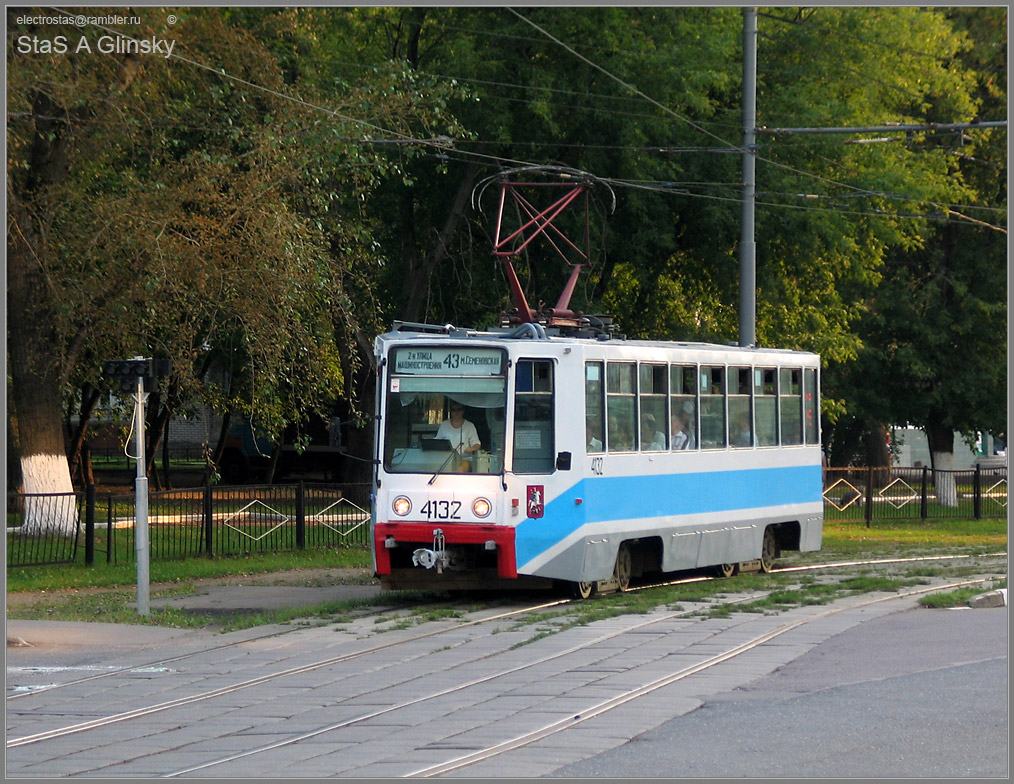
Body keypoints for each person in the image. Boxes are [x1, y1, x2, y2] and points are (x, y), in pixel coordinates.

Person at [436, 402, 481, 470]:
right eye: (453, 410)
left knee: (459, 469)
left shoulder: (470, 426)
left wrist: (471, 449)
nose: (456, 412)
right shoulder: (444, 425)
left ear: (463, 410)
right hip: (446, 459)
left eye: (459, 409)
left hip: (464, 459)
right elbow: (437, 441)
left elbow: (477, 444)